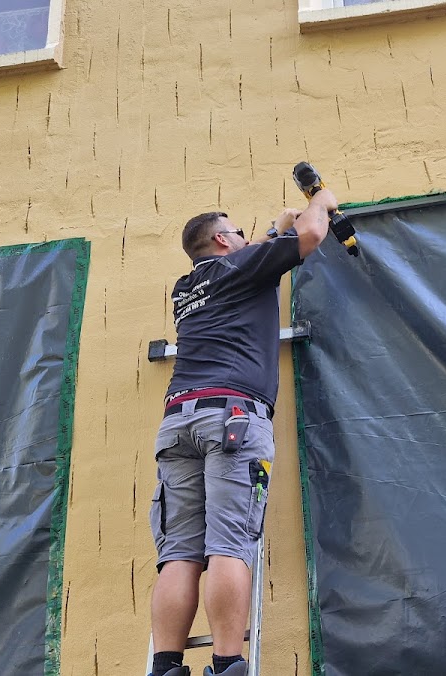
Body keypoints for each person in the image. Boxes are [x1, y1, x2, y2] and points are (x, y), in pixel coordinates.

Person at [148, 188, 336, 676]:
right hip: (231, 417)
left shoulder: (187, 286)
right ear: (220, 240)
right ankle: (228, 664)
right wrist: (319, 201)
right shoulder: (241, 267)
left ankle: (165, 666)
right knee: (229, 542)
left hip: (178, 421)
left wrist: (275, 230)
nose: (244, 238)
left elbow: (253, 255)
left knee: (179, 553)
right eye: (236, 232)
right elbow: (311, 235)